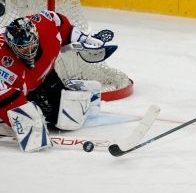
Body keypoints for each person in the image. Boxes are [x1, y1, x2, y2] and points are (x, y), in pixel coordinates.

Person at [0, 10, 117, 152]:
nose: (29, 51)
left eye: (31, 45)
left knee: (65, 120)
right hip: (15, 91)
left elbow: (57, 20)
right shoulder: (3, 60)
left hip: (44, 77)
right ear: (11, 46)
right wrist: (22, 121)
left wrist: (84, 38)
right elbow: (5, 97)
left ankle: (78, 89)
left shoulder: (44, 25)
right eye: (23, 49)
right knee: (34, 119)